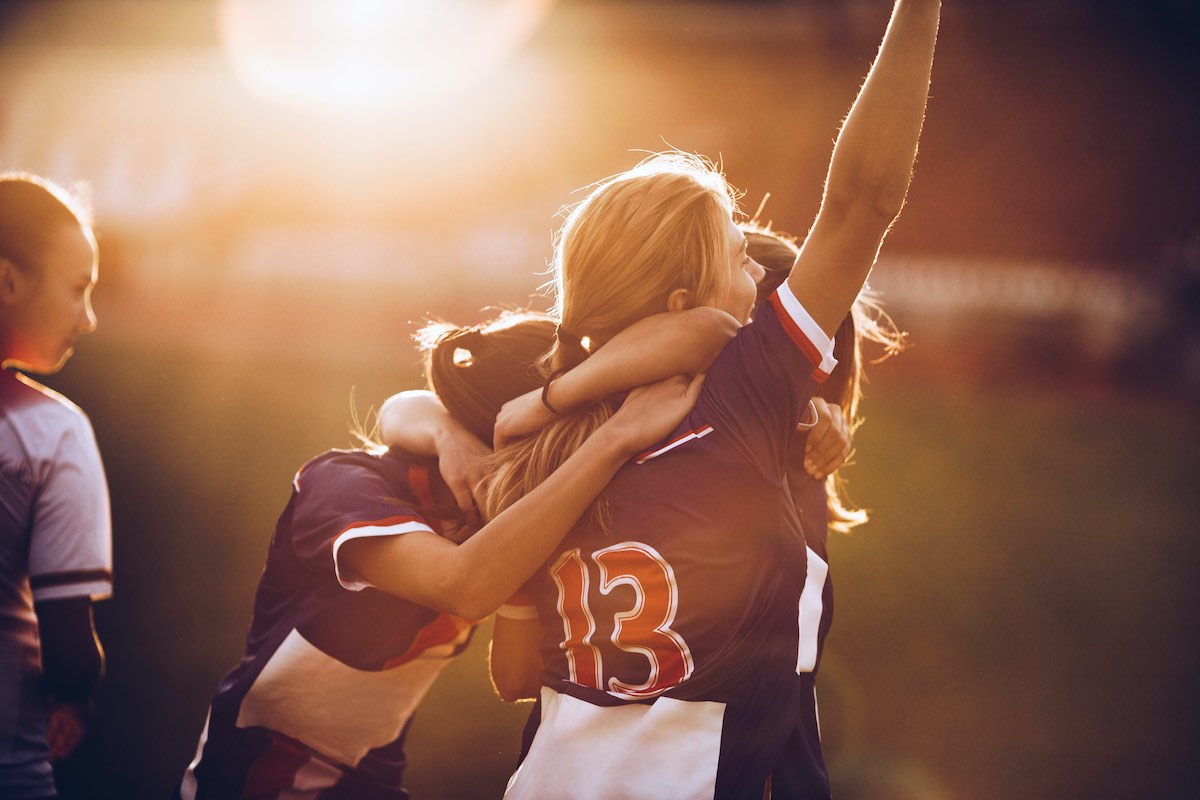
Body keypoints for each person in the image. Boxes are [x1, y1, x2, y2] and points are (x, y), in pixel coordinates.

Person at [479, 2, 942, 797]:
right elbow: (863, 200)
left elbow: (516, 673)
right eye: (738, 258)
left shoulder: (541, 431)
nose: (761, 275)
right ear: (686, 300)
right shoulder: (736, 398)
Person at [177, 311, 703, 800]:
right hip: (252, 777)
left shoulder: (497, 523)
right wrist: (610, 442)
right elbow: (463, 586)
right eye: (552, 463)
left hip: (370, 779)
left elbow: (516, 678)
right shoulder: (345, 486)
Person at [0, 172, 110, 799]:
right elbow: (70, 653)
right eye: (77, 290)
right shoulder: (51, 433)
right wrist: (75, 696)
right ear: (8, 280)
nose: (88, 319)